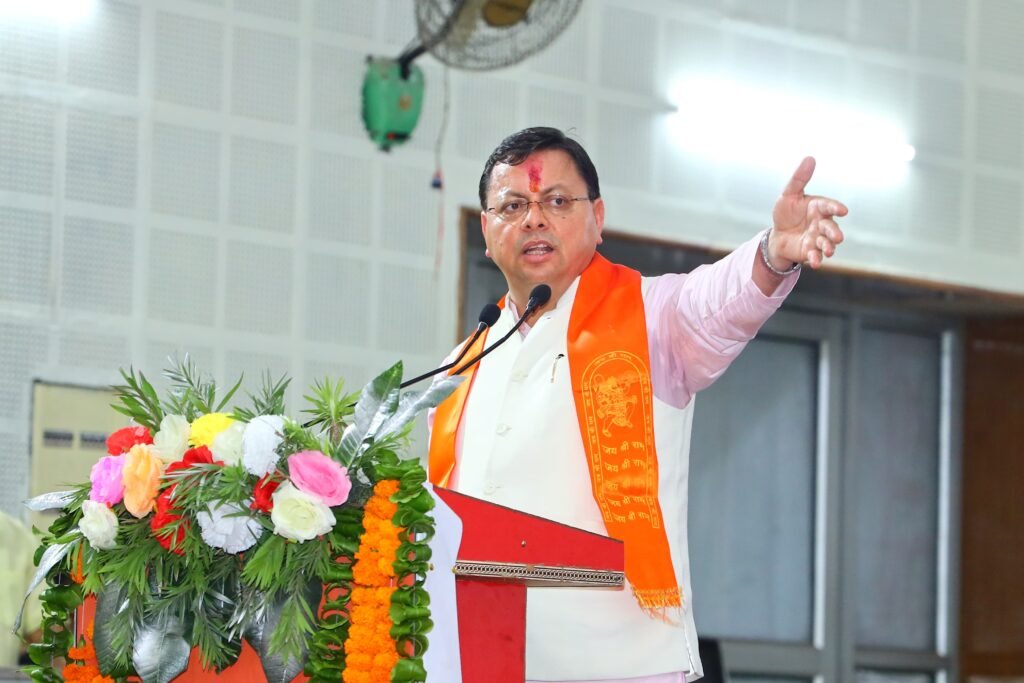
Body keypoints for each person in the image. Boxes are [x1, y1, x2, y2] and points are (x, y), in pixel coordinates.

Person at [427, 127, 847, 682]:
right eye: (513, 206)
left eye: (557, 201)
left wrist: (772, 254)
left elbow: (716, 301)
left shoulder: (649, 316)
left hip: (623, 665)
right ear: (486, 230)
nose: (534, 220)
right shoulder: (459, 368)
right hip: (483, 662)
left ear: (597, 217)